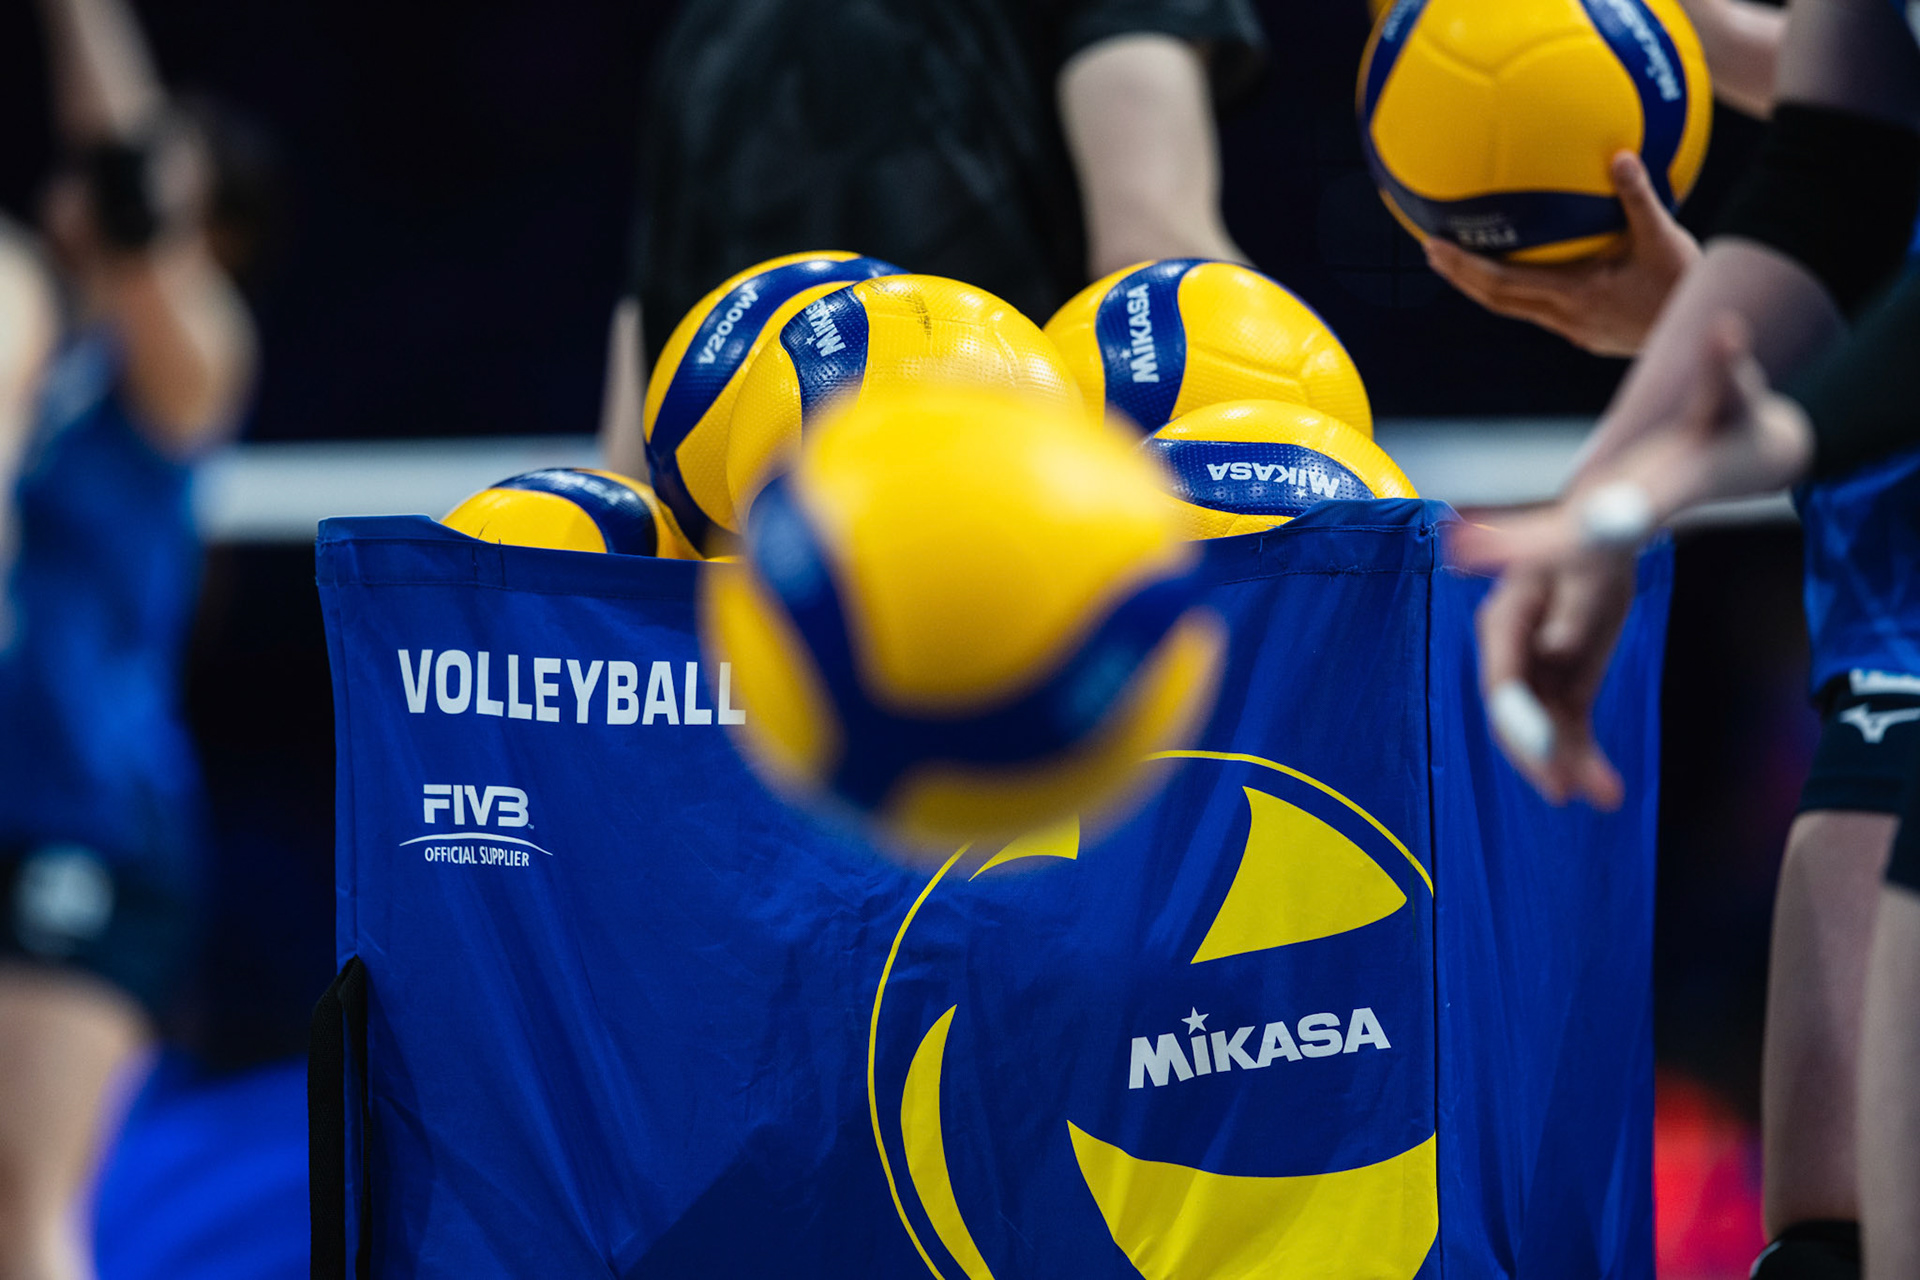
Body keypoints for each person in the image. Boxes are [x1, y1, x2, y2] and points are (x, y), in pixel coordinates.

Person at [1425, 1, 1920, 1275]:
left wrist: (1754, 438)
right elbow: (1841, 171)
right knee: (1839, 1235)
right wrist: (1609, 500)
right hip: (1897, 623)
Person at [0, 0, 260, 1271]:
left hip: (94, 817)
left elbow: (126, 178)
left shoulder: (190, 357)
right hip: (14, 801)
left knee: (24, 1193)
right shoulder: (38, 368)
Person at [600, 0, 1267, 477]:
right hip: (997, 529)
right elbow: (1153, 254)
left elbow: (651, 366)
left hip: (756, 568)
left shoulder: (705, 27)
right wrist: (1309, 451)